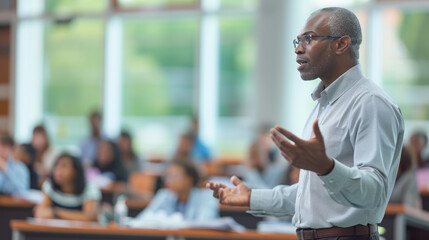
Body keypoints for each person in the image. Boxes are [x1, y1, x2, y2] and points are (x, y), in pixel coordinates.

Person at [208, 7, 404, 240]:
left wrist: (327, 167)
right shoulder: (324, 105)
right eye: (298, 40)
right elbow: (313, 195)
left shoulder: (370, 103)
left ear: (341, 44)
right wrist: (252, 197)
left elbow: (375, 192)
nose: (298, 48)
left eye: (308, 39)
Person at [136, 160, 218, 221]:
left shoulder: (206, 198)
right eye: (168, 176)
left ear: (189, 179)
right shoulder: (164, 195)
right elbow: (142, 219)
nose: (170, 180)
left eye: (175, 176)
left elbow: (205, 224)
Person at [34, 153, 101, 221]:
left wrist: (56, 212)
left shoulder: (90, 189)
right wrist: (74, 216)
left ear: (76, 171)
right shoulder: (50, 186)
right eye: (56, 165)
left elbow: (87, 217)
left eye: (64, 166)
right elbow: (40, 214)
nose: (58, 170)